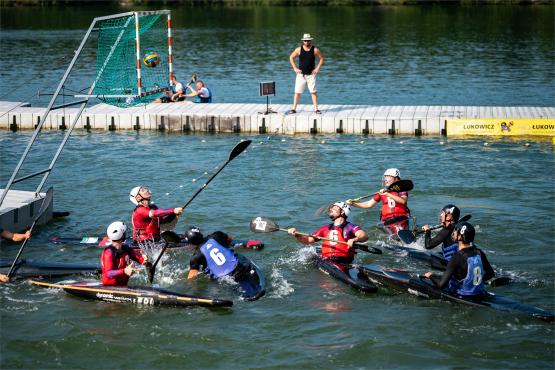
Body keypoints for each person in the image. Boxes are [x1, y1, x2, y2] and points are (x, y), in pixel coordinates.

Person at [423, 222, 494, 296]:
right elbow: (491, 274)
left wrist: (430, 276)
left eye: (455, 231)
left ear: (460, 236)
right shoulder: (479, 252)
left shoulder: (457, 256)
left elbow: (441, 285)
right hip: (479, 292)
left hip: (463, 294)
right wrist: (475, 281)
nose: (453, 233)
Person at [287, 202, 368, 264]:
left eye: (335, 208)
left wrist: (354, 239)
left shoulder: (350, 226)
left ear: (342, 212)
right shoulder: (325, 228)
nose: (331, 209)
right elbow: (308, 240)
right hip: (326, 260)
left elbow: (364, 236)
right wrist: (296, 234)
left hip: (345, 261)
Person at [347, 168, 410, 235]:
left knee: (398, 234)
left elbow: (403, 201)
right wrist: (353, 204)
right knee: (381, 227)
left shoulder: (402, 190)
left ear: (396, 178)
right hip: (387, 220)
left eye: (388, 176)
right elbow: (369, 204)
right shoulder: (382, 192)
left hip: (401, 219)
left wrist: (388, 194)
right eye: (385, 177)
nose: (385, 179)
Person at [101, 221, 151, 286]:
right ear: (122, 235)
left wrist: (144, 260)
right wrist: (124, 271)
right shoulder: (108, 253)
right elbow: (108, 273)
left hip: (123, 285)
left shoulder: (126, 248)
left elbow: (137, 258)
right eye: (124, 232)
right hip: (110, 287)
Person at [287, 33, 324, 114]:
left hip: (311, 75)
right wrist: (295, 68)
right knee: (297, 92)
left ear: (310, 41)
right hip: (301, 75)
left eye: (308, 40)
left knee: (313, 92)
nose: (307, 42)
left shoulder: (315, 50)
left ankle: (316, 109)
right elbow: (291, 57)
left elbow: (321, 58)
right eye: (305, 41)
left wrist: (317, 68)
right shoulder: (298, 49)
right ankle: (294, 109)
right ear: (303, 41)